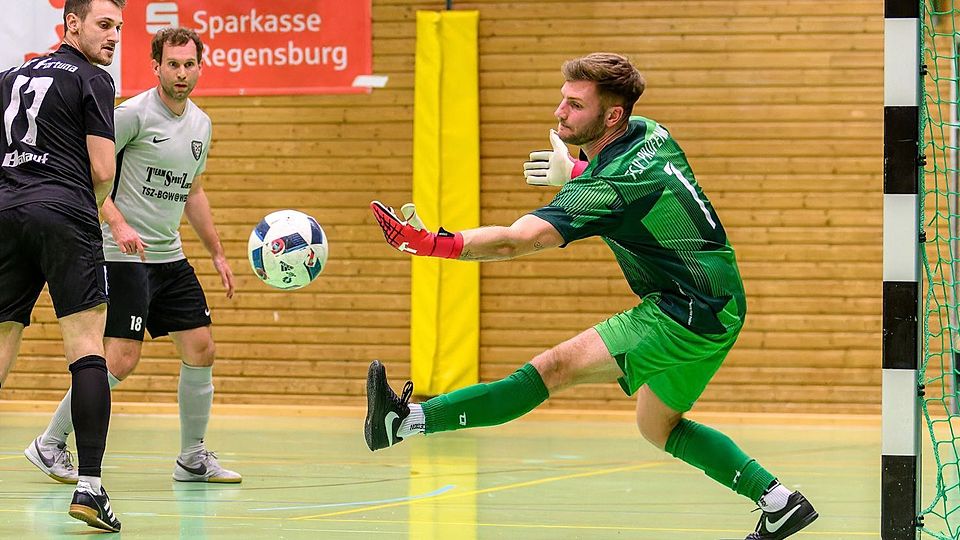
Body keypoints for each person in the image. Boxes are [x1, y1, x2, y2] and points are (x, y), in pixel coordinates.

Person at [367, 53, 818, 540]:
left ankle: (405, 421)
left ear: (612, 115)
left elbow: (515, 240)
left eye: (575, 105)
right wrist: (580, 167)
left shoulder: (612, 185)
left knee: (553, 368)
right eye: (562, 99)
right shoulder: (650, 131)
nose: (560, 112)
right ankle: (779, 502)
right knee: (658, 426)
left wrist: (431, 243)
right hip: (723, 303)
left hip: (683, 312)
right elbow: (634, 186)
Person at [25, 26, 240, 486]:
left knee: (201, 348)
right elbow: (86, 175)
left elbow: (194, 192)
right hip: (121, 255)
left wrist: (218, 252)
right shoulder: (132, 115)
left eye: (189, 65)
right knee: (120, 360)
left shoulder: (202, 124)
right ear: (156, 66)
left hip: (169, 254)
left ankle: (192, 458)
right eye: (173, 65)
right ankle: (49, 442)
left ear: (200, 67)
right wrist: (118, 224)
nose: (181, 74)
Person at [0, 0, 125, 532]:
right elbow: (102, 167)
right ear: (71, 23)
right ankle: (90, 489)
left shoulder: (8, 77)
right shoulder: (92, 79)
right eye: (104, 24)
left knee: (3, 335)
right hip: (65, 210)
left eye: (119, 27)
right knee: (87, 344)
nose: (114, 36)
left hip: (5, 210)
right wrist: (88, 204)